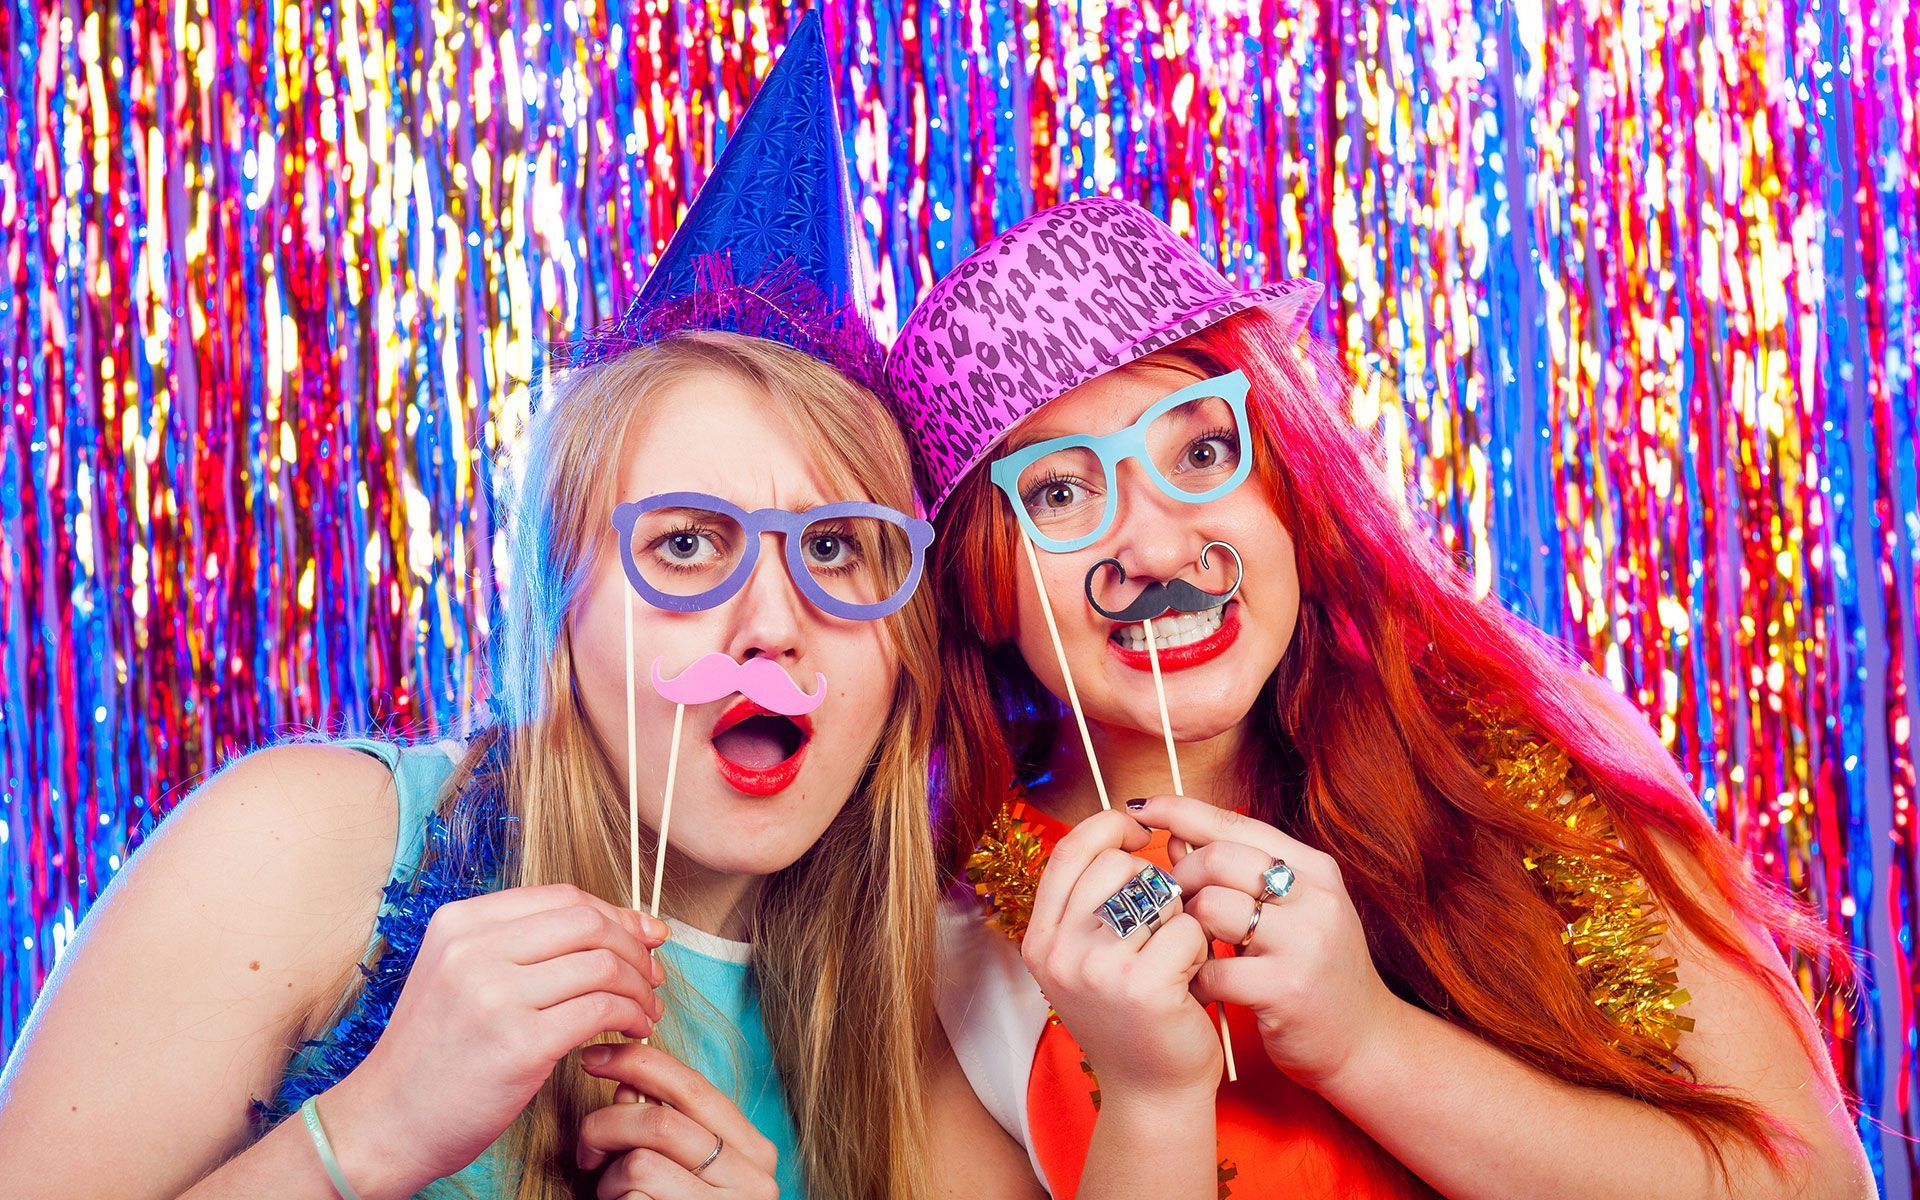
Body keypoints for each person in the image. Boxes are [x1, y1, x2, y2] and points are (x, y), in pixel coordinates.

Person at [0, 15, 948, 1198]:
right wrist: (371, 1133)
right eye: (690, 544)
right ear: (563, 616)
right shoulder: (315, 842)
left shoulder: (928, 1026)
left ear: (907, 648)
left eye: (841, 550)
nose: (771, 625)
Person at [887, 196, 1877, 1199]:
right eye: (1059, 492)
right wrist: (1153, 1092)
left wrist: (1365, 1043)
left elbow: (1821, 1186)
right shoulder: (934, 954)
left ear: (1283, 475)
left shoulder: (1522, 759)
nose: (1156, 549)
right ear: (979, 583)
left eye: (1199, 452)